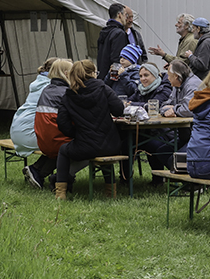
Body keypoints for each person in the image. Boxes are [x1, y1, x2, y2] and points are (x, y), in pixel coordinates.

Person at [54, 60, 125, 200]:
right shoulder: (103, 88)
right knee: (105, 148)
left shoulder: (69, 95)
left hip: (85, 145)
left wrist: (76, 134)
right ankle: (110, 193)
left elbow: (62, 123)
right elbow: (119, 110)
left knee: (63, 150)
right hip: (111, 145)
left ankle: (60, 193)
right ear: (92, 73)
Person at [9, 57, 56, 185]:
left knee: (59, 142)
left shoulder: (38, 82)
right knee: (63, 144)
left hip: (16, 130)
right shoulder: (51, 87)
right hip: (28, 133)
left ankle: (35, 170)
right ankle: (40, 173)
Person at [125, 62, 176, 177]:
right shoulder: (140, 90)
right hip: (143, 131)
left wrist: (132, 105)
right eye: (141, 76)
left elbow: (154, 106)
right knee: (126, 142)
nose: (143, 79)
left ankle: (158, 179)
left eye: (146, 75)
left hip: (163, 132)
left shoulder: (164, 89)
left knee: (152, 144)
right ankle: (126, 179)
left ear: (155, 75)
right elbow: (128, 102)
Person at [31, 59, 75, 190]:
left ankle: (38, 171)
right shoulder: (66, 92)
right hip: (57, 141)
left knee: (59, 146)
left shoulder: (46, 90)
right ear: (67, 74)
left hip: (43, 140)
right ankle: (64, 178)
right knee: (85, 144)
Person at [96, 3, 130, 76]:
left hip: (102, 74)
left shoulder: (104, 31)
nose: (126, 18)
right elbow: (117, 59)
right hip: (113, 78)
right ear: (119, 15)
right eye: (125, 15)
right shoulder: (119, 34)